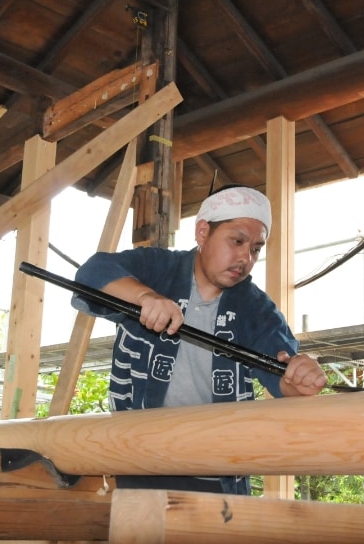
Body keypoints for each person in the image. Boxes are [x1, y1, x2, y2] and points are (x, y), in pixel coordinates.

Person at [71, 184, 327, 495]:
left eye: (256, 249)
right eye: (237, 241)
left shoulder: (256, 309)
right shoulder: (157, 269)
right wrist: (145, 296)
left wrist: (299, 379)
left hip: (217, 472)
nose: (245, 258)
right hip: (137, 461)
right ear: (203, 233)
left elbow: (281, 377)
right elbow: (92, 272)